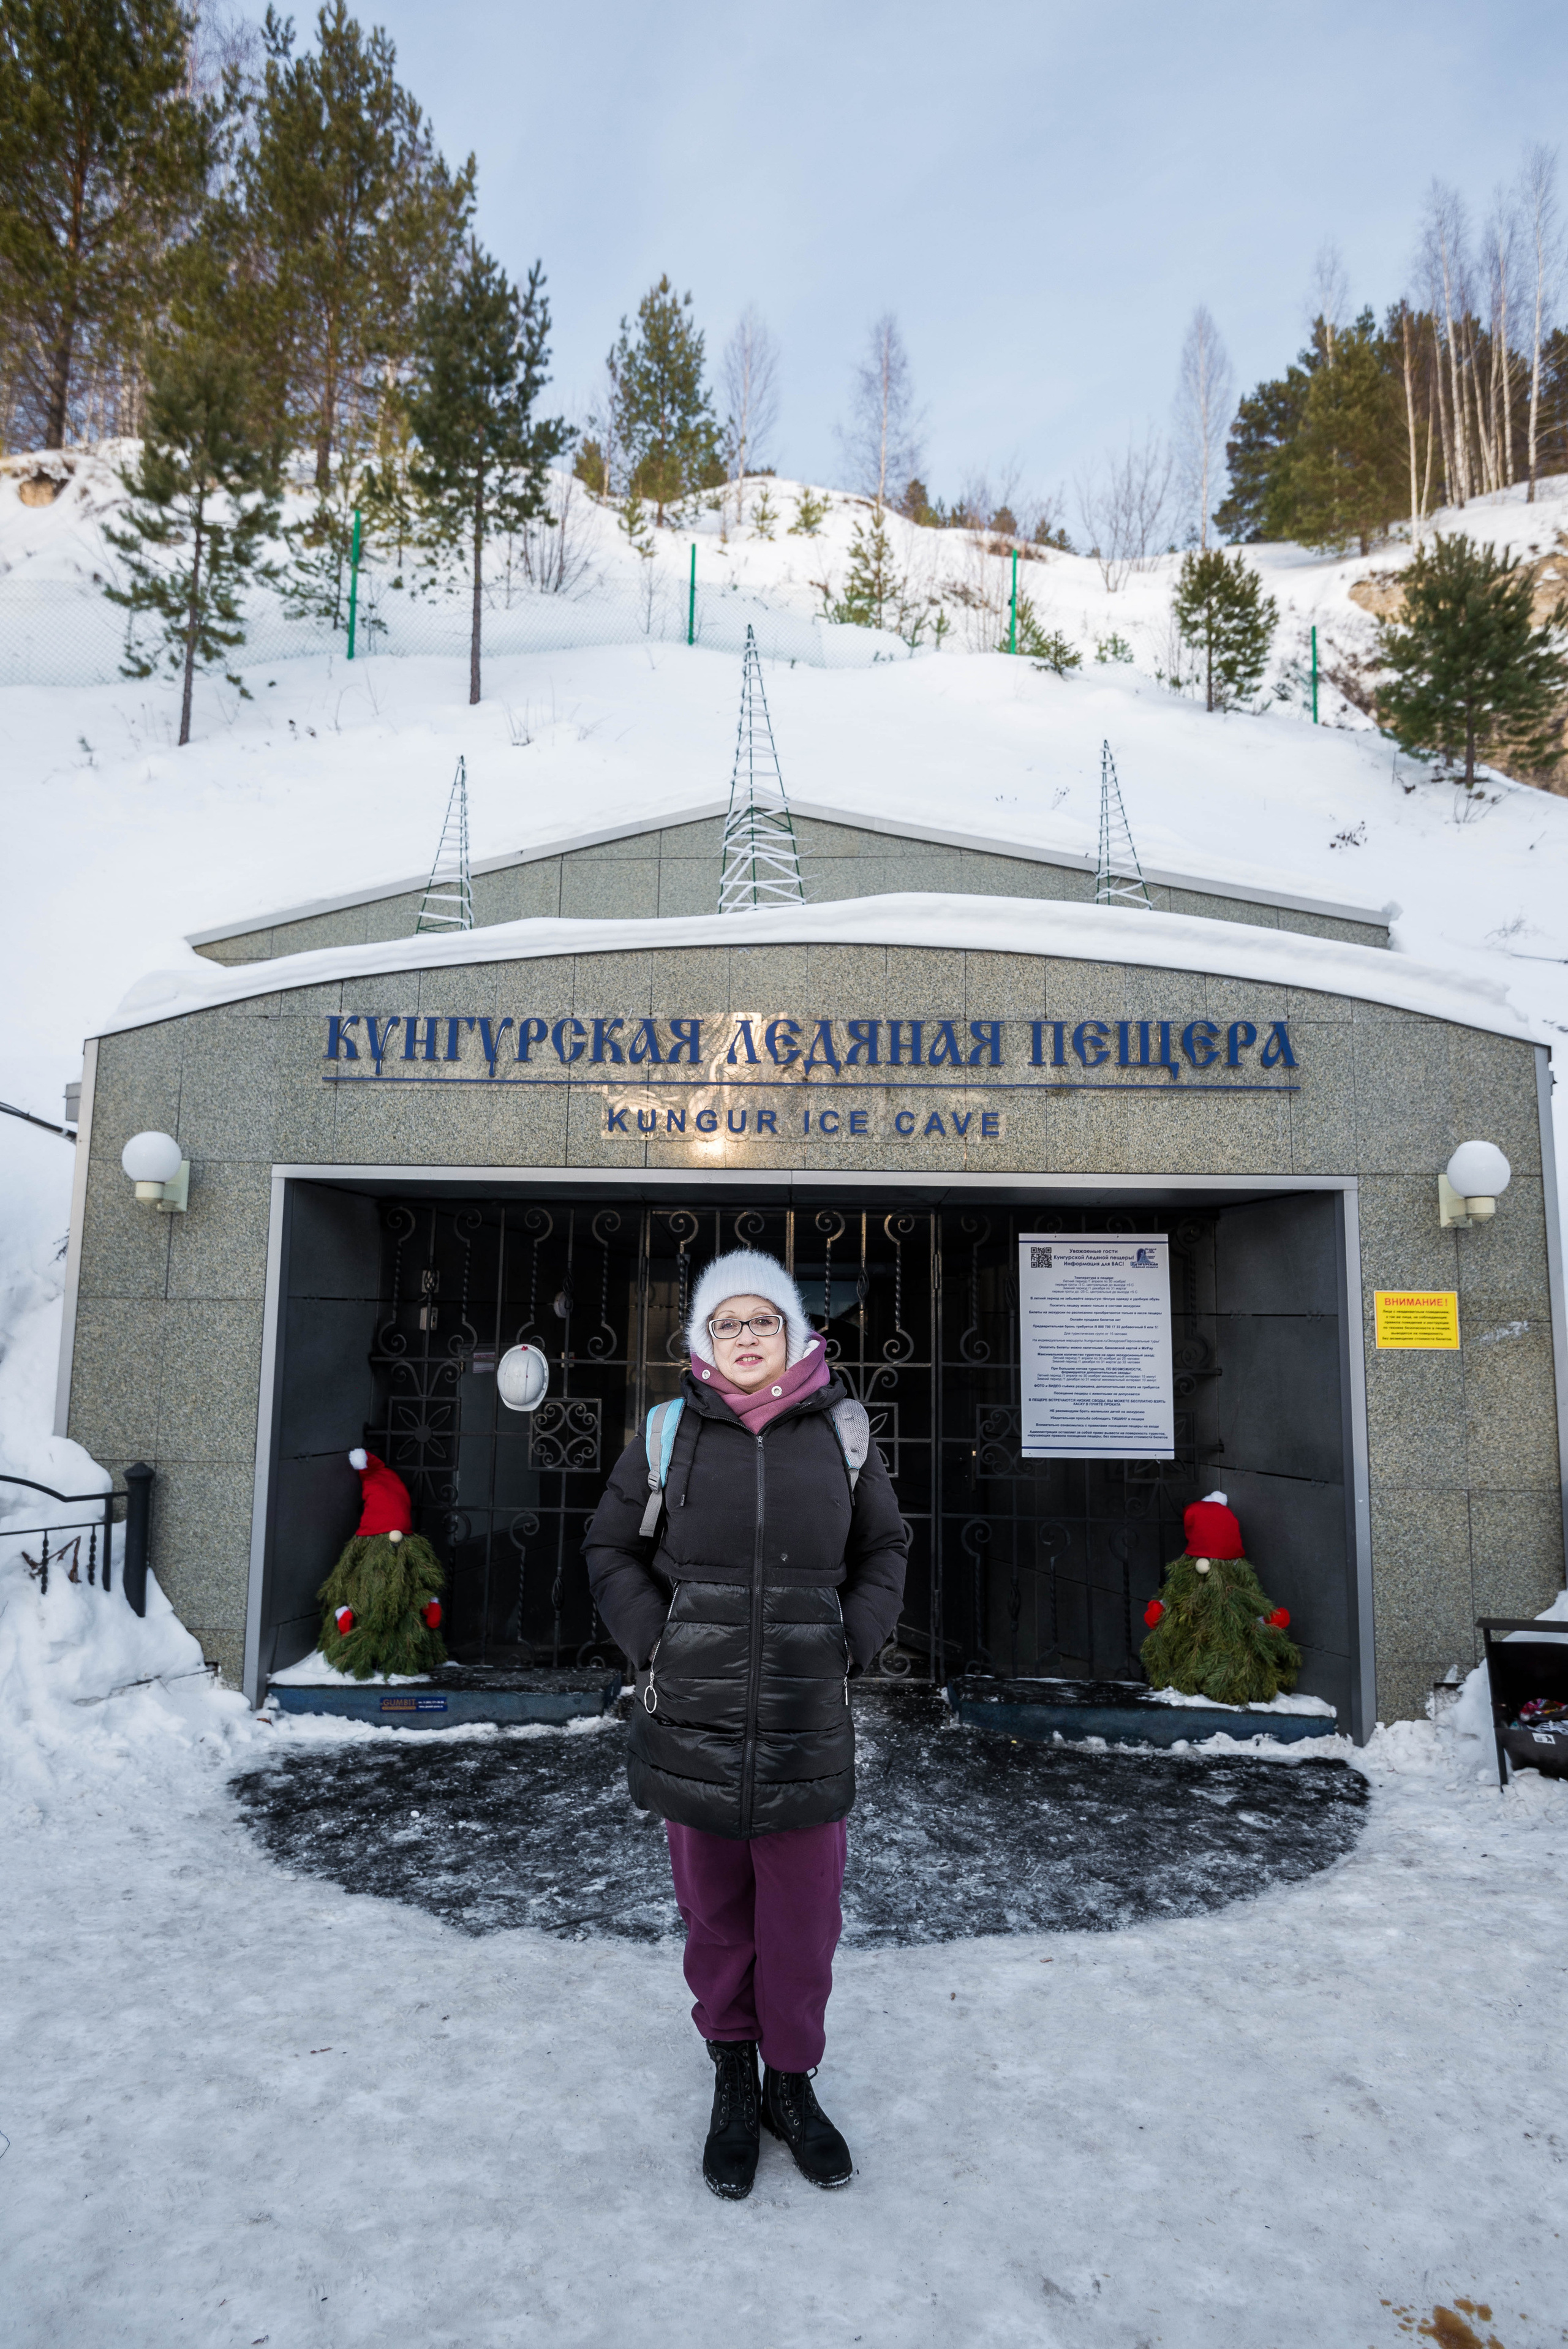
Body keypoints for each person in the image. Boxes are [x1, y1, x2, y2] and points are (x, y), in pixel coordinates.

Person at [582, 1247, 909, 2200]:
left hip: (807, 1716)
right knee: (716, 1915)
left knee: (804, 1918)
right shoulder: (669, 1431)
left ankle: (791, 2083)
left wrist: (851, 1640)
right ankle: (733, 2074)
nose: (747, 1336)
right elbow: (610, 1546)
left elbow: (886, 1545)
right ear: (704, 1340)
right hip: (696, 1718)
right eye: (728, 1323)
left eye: (764, 1320)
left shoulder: (842, 1430)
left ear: (795, 1332)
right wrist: (658, 1641)